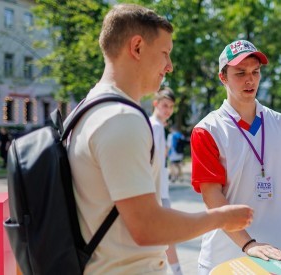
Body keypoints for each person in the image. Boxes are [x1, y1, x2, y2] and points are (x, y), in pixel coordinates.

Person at [66, 5, 253, 274]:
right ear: (138, 47)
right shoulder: (120, 119)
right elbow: (148, 226)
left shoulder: (86, 108)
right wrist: (221, 218)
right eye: (165, 53)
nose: (170, 66)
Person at [190, 39, 281, 274]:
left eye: (255, 72)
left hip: (277, 255)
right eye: (240, 73)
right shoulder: (208, 129)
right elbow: (211, 196)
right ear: (222, 77)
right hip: (225, 258)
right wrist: (248, 243)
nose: (250, 79)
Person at [149, 88, 183, 275]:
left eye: (170, 107)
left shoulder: (157, 126)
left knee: (165, 236)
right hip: (158, 191)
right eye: (164, 105)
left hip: (161, 189)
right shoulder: (155, 126)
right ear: (155, 104)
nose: (168, 110)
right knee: (168, 235)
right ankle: (177, 272)